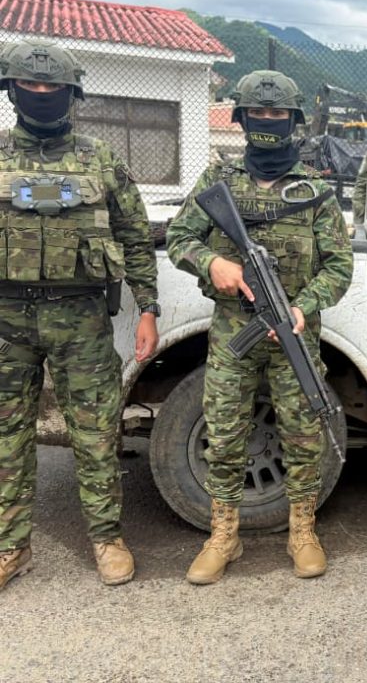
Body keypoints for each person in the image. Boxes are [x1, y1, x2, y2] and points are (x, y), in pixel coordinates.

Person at [166, 70, 352, 584]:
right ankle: (224, 536)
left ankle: (302, 531)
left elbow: (339, 266)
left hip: (294, 333)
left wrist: (303, 306)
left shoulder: (314, 191)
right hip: (234, 335)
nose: (268, 121)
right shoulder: (218, 182)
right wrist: (212, 264)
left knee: (303, 434)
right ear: (242, 119)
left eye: (277, 114)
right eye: (258, 113)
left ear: (293, 120)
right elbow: (179, 238)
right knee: (225, 435)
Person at [0, 40, 160, 589]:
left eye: (53, 86)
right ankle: (11, 546)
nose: (41, 93)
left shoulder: (101, 159)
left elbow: (136, 238)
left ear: (72, 94)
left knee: (95, 433)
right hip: (6, 319)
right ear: (12, 90)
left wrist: (148, 309)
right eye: (30, 84)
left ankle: (107, 538)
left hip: (81, 319)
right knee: (6, 436)